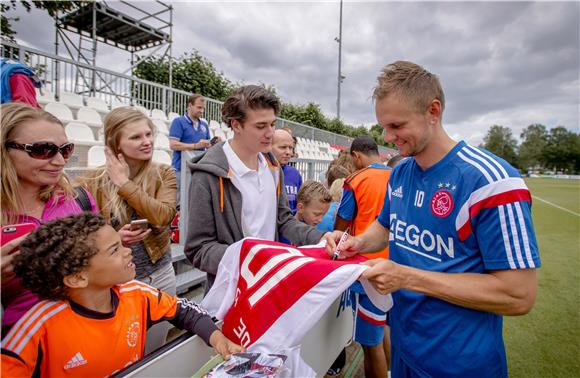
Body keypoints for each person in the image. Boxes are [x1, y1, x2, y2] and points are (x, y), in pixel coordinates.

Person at [328, 61, 540, 377]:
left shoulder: (491, 181)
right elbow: (385, 228)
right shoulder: (399, 172)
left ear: (433, 111)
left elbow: (519, 295)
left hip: (460, 364)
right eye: (383, 127)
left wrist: (407, 277)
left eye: (397, 126)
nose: (388, 137)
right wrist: (356, 241)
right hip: (403, 349)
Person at [1, 213, 244, 377]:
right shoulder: (37, 327)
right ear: (77, 277)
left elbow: (185, 311)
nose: (128, 252)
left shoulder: (137, 294)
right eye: (115, 250)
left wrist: (217, 338)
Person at [185, 85, 326, 292]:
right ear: (236, 125)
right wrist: (249, 258)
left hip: (269, 285)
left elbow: (283, 220)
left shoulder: (272, 166)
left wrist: (320, 238)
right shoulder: (207, 175)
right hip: (230, 293)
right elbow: (198, 250)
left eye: (272, 124)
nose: (270, 133)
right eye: (261, 126)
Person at [78, 107, 178, 354]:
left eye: (148, 134)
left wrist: (124, 183)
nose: (147, 142)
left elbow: (164, 217)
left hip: (160, 274)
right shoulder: (91, 181)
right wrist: (115, 238)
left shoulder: (163, 172)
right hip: (115, 281)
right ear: (116, 143)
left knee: (155, 350)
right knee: (119, 352)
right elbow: (84, 236)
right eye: (135, 137)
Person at [0, 102, 98, 333]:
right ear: (4, 150)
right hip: (19, 350)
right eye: (43, 150)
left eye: (65, 150)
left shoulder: (78, 199)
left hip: (88, 332)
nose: (60, 161)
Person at [333, 135, 392, 378]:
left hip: (367, 269)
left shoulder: (356, 179)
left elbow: (341, 224)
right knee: (385, 328)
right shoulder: (396, 175)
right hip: (396, 265)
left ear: (356, 156)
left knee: (370, 344)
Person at [169, 94, 213, 204]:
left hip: (197, 168)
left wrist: (213, 143)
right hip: (180, 169)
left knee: (192, 202)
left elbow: (207, 144)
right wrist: (195, 146)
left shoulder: (204, 125)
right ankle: (176, 221)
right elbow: (173, 145)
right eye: (199, 107)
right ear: (190, 106)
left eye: (203, 108)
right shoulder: (178, 122)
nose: (202, 111)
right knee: (179, 202)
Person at [271, 129, 303, 214]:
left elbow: (300, 204)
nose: (289, 152)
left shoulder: (295, 174)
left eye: (291, 148)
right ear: (269, 146)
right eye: (283, 147)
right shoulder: (260, 172)